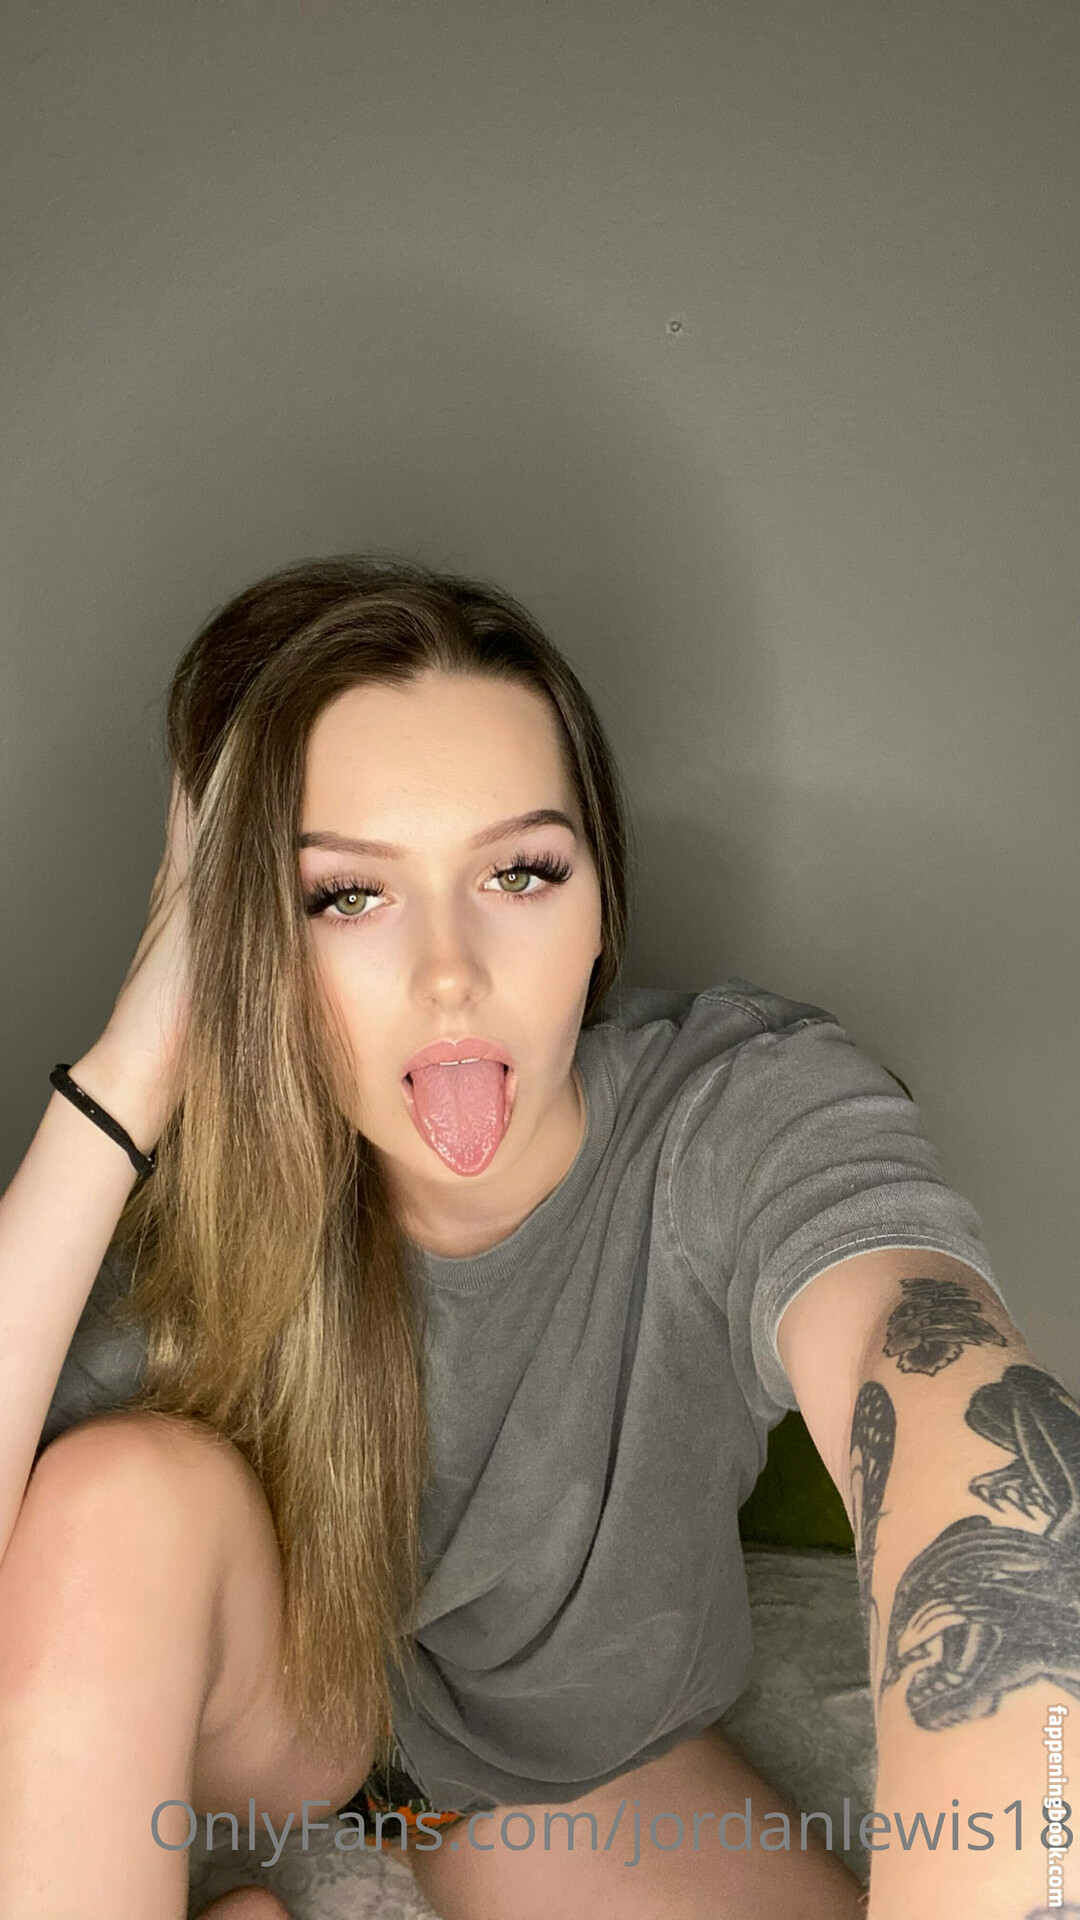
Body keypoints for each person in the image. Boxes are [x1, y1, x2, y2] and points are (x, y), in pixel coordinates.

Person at [0, 556, 1072, 1920]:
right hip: (290, 1718)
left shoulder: (736, 1116)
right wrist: (133, 1073)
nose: (450, 972)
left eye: (518, 872)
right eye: (347, 895)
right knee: (112, 1503)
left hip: (560, 1783)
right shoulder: (219, 1195)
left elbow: (948, 1407)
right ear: (252, 938)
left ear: (600, 900)